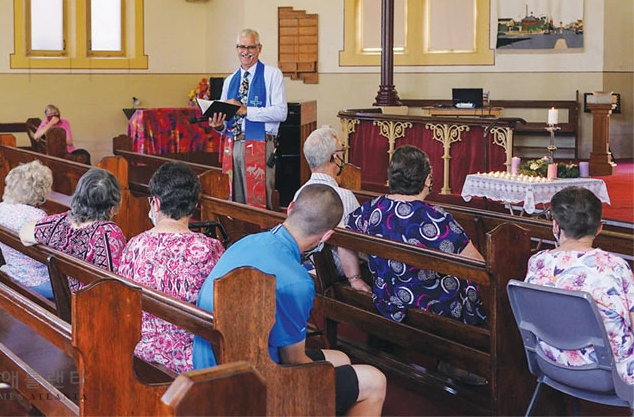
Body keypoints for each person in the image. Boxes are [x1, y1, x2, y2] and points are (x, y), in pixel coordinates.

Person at [193, 184, 386, 416]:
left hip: (210, 370)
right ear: (327, 235)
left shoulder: (245, 242)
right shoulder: (297, 281)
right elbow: (294, 361)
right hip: (255, 387)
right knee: (375, 381)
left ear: (291, 208)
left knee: (341, 359)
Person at [345, 145, 486, 325]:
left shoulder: (373, 208)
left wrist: (354, 278)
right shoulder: (436, 219)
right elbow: (479, 265)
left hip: (386, 299)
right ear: (427, 180)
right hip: (430, 306)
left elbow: (341, 233)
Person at [117, 162, 225, 373]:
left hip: (138, 348)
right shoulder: (208, 248)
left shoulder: (134, 245)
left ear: (155, 203)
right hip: (189, 357)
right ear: (195, 205)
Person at [525, 187, 634, 385]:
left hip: (550, 363)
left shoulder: (537, 262)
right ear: (599, 228)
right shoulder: (615, 267)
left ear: (556, 227)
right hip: (610, 375)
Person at [207, 28, 287, 210]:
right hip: (233, 146)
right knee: (235, 201)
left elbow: (281, 112)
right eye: (241, 47)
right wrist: (218, 125)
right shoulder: (230, 81)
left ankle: (261, 236)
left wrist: (246, 110)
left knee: (259, 203)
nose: (246, 51)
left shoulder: (272, 75)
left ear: (259, 48)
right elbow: (226, 121)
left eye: (250, 47)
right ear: (236, 49)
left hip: (260, 145)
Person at [19, 168, 126, 291]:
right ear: (112, 207)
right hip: (90, 304)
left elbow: (24, 235)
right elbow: (115, 285)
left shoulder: (59, 223)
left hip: (64, 297)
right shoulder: (109, 234)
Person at [293, 126, 369, 292]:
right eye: (342, 150)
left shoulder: (300, 193)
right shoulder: (344, 196)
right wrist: (355, 279)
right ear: (335, 157)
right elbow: (355, 240)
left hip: (309, 264)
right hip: (337, 272)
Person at [0, 161, 55, 299]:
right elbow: (54, 252)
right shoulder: (36, 216)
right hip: (38, 282)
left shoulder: (2, 207)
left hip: (15, 272)